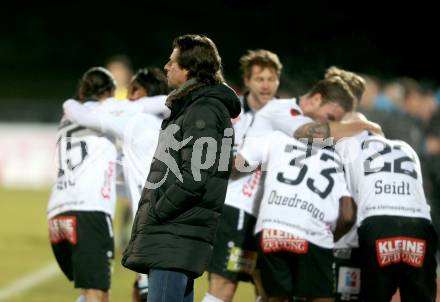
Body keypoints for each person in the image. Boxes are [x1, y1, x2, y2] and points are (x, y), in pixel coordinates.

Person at [122, 34, 241, 302]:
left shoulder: (204, 109)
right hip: (177, 233)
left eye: (172, 61)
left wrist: (158, 210)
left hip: (174, 233)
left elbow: (196, 175)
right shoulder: (194, 107)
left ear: (189, 68)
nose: (166, 66)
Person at [63, 66, 169, 302]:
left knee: (143, 293)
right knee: (144, 291)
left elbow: (86, 116)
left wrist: (69, 105)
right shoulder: (163, 125)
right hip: (162, 221)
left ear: (143, 93)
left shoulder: (139, 122)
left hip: (154, 225)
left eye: (133, 91)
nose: (128, 97)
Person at [238, 131, 356, 302]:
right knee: (321, 297)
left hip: (272, 227)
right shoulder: (338, 160)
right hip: (313, 233)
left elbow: (241, 162)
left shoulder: (279, 138)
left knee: (276, 297)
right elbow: (347, 216)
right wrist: (331, 240)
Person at [204, 49, 282, 302]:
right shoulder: (229, 112)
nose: (266, 85)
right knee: (224, 284)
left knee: (272, 291)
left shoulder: (286, 118)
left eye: (271, 79)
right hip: (234, 209)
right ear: (247, 80)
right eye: (260, 78)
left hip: (270, 216)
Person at [336, 129, 437, 302]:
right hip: (418, 225)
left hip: (378, 223)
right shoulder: (407, 148)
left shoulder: (348, 144)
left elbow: (315, 143)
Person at [47, 67, 117, 302]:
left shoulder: (67, 117)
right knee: (98, 293)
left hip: (58, 214)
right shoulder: (108, 113)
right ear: (110, 92)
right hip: (89, 210)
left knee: (87, 292)